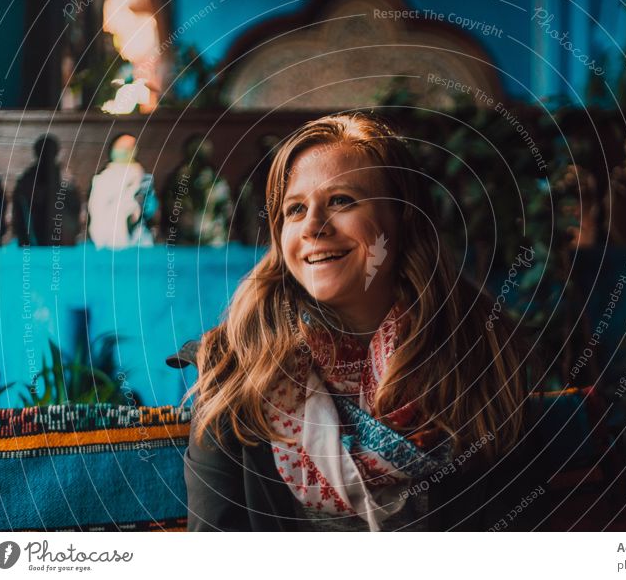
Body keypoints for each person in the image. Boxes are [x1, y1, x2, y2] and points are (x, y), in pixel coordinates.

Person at [173, 112, 551, 531]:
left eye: (341, 200)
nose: (314, 226)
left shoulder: (483, 359)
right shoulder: (236, 374)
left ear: (402, 219)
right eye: (295, 209)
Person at [88, 134, 157, 248]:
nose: (125, 151)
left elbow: (149, 207)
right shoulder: (104, 177)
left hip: (137, 238)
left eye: (130, 147)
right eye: (121, 147)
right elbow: (96, 207)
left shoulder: (143, 176)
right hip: (108, 237)